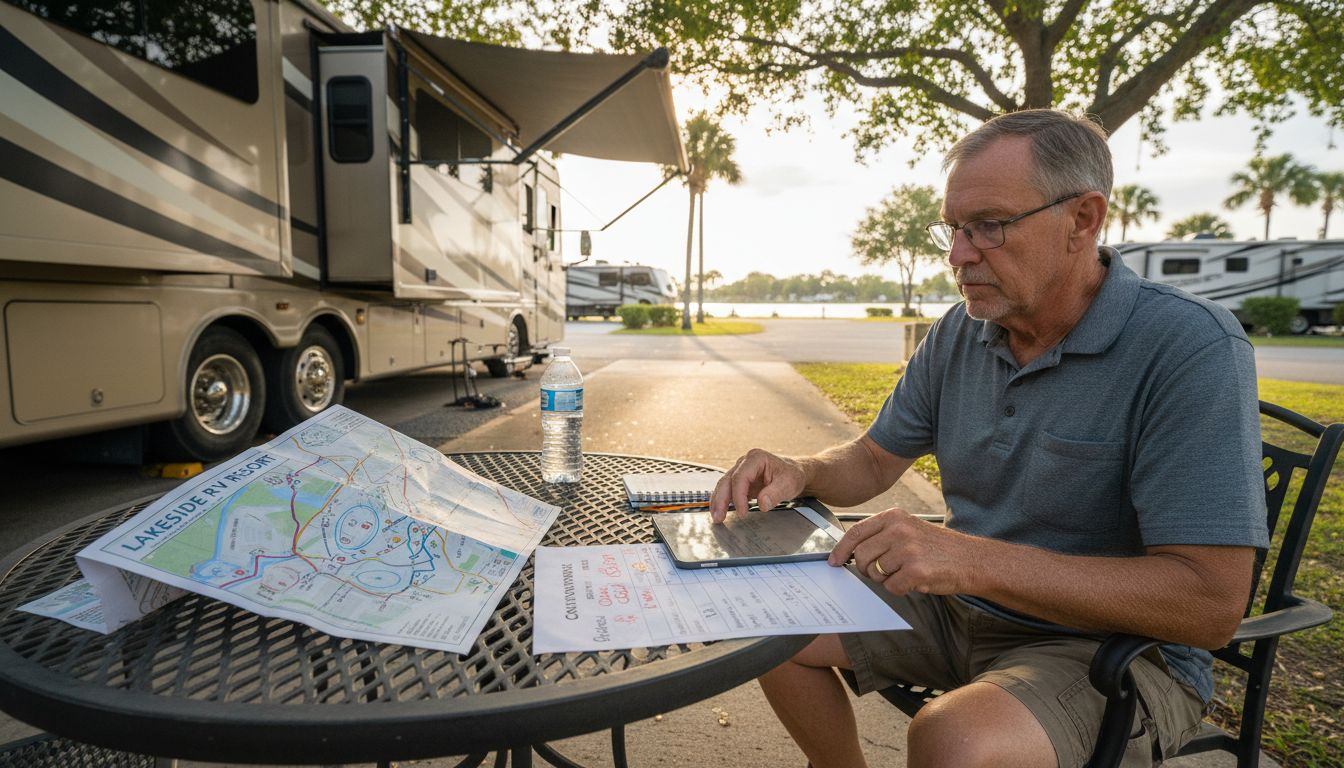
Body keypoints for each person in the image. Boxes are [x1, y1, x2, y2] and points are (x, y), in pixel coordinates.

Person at [709, 109, 1267, 768]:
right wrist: (799, 469)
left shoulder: (1186, 346)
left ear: (1083, 220)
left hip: (1116, 650)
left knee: (954, 739)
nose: (959, 254)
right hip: (959, 608)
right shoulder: (962, 331)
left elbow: (1209, 605)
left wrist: (973, 561)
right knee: (762, 615)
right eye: (954, 228)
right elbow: (870, 458)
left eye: (990, 227)